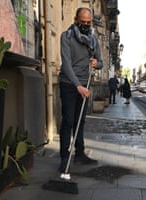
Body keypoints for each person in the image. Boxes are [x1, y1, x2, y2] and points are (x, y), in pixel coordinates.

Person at [58, 7, 103, 173]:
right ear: (76, 19)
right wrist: (79, 86)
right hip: (69, 84)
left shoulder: (93, 39)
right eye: (82, 22)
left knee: (80, 121)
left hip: (85, 83)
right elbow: (67, 65)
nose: (85, 25)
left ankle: (80, 153)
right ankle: (64, 157)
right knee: (68, 120)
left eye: (88, 22)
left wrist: (96, 63)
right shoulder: (67, 36)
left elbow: (101, 61)